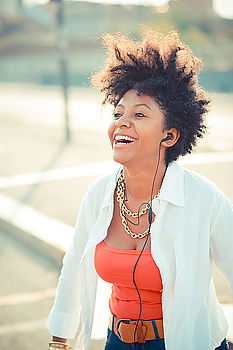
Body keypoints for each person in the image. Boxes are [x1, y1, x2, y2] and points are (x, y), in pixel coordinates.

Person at [46, 30, 233, 350]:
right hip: (117, 341)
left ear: (170, 136)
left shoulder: (203, 198)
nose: (121, 122)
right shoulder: (99, 192)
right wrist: (59, 340)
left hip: (186, 341)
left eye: (139, 114)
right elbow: (74, 268)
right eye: (118, 112)